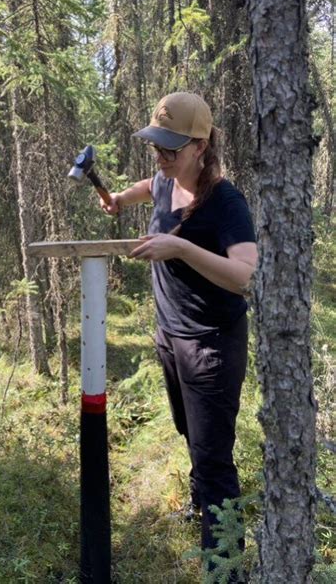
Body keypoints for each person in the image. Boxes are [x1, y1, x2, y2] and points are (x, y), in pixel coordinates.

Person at [100, 92, 257, 577]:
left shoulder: (225, 201)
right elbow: (149, 186)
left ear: (200, 146)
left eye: (170, 149)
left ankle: (225, 566)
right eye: (156, 147)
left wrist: (181, 248)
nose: (161, 157)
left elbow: (244, 275)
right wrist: (119, 199)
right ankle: (201, 511)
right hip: (171, 335)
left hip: (211, 343)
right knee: (191, 434)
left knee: (214, 459)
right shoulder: (167, 182)